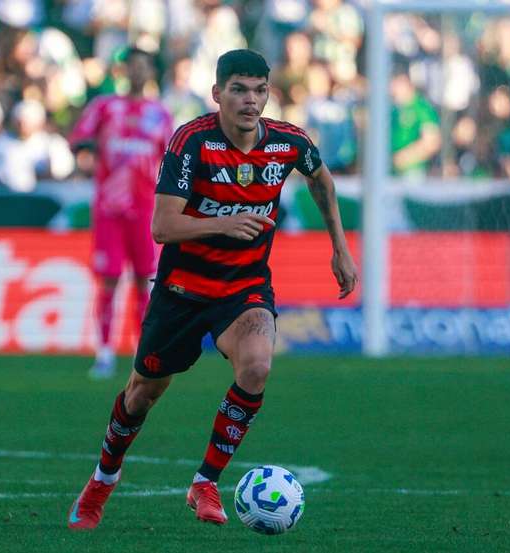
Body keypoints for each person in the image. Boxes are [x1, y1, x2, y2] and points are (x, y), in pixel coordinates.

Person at [66, 49, 358, 530]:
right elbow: (162, 226)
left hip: (244, 287)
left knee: (258, 366)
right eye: (239, 90)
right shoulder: (192, 142)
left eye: (259, 90)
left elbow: (321, 181)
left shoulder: (288, 142)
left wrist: (340, 249)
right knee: (141, 395)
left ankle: (205, 482)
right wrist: (224, 223)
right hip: (182, 290)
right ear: (218, 94)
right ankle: (103, 479)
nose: (250, 100)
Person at [68, 47, 174, 378]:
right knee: (109, 280)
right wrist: (88, 154)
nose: (137, 72)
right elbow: (79, 140)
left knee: (145, 281)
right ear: (123, 71)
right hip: (109, 209)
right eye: (132, 66)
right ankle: (104, 353)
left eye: (143, 66)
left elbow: (171, 160)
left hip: (144, 210)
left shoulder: (160, 114)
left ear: (151, 72)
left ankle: (143, 354)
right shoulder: (104, 107)